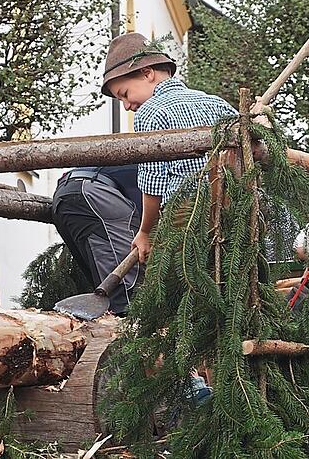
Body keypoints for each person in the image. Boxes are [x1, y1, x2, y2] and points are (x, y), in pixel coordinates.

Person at [100, 33, 237, 264]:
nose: (126, 106)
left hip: (187, 216)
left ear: (147, 73)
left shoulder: (149, 112)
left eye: (124, 94)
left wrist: (145, 233)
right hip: (234, 210)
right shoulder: (216, 102)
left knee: (181, 287)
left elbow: (153, 183)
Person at [51, 165, 143, 315]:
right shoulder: (164, 176)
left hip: (64, 194)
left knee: (104, 283)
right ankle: (128, 333)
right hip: (96, 193)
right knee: (128, 292)